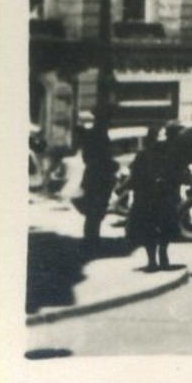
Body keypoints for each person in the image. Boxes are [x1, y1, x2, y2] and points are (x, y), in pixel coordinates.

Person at [125, 128, 177, 271]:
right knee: (148, 230)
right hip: (147, 198)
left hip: (163, 196)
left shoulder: (169, 154)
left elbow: (175, 173)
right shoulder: (143, 155)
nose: (162, 140)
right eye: (159, 136)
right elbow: (135, 176)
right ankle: (152, 260)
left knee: (166, 228)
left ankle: (163, 254)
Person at [74, 110, 118, 245]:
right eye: (106, 121)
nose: (108, 124)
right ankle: (91, 238)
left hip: (94, 175)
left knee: (95, 209)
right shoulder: (99, 136)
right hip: (98, 176)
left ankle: (92, 236)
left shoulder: (92, 134)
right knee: (96, 208)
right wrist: (111, 165)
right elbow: (101, 158)